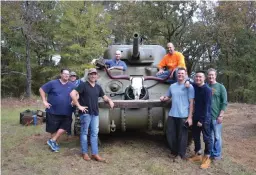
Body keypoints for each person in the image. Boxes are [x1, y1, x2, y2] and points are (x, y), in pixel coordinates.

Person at [70, 68, 114, 162]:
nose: (93, 76)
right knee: (84, 133)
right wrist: (79, 106)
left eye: (95, 74)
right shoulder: (83, 85)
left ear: (97, 76)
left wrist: (109, 100)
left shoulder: (98, 87)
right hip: (85, 114)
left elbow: (104, 96)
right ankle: (85, 153)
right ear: (88, 75)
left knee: (94, 133)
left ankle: (95, 154)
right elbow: (72, 94)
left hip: (95, 113)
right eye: (91, 74)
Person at [160, 67, 194, 161]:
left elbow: (191, 102)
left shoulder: (189, 87)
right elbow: (168, 96)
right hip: (172, 114)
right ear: (176, 75)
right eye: (179, 74)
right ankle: (174, 151)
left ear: (185, 74)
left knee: (182, 136)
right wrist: (163, 97)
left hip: (183, 115)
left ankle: (180, 154)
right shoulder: (172, 86)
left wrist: (190, 117)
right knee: (171, 134)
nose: (180, 75)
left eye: (182, 73)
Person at [39, 68, 75, 152]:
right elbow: (41, 89)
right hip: (53, 110)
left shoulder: (72, 85)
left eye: (68, 74)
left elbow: (77, 93)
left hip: (67, 110)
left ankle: (52, 141)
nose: (67, 75)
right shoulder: (53, 83)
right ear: (61, 74)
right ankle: (53, 144)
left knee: (66, 125)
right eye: (65, 73)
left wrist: (74, 100)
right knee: (53, 128)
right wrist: (44, 101)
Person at [188, 71, 212, 169]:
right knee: (196, 136)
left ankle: (207, 158)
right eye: (196, 77)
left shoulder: (207, 90)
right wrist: (186, 81)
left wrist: (201, 120)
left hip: (204, 118)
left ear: (204, 78)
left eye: (200, 77)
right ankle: (198, 154)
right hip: (196, 116)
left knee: (206, 138)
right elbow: (188, 80)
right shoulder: (195, 86)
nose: (198, 78)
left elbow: (207, 106)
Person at [207, 68, 228, 160]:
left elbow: (224, 102)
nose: (211, 76)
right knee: (210, 137)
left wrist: (221, 115)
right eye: (209, 75)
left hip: (216, 117)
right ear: (207, 76)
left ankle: (217, 155)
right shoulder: (206, 86)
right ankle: (211, 153)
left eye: (212, 75)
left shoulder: (220, 87)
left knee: (217, 136)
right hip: (207, 117)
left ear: (215, 76)